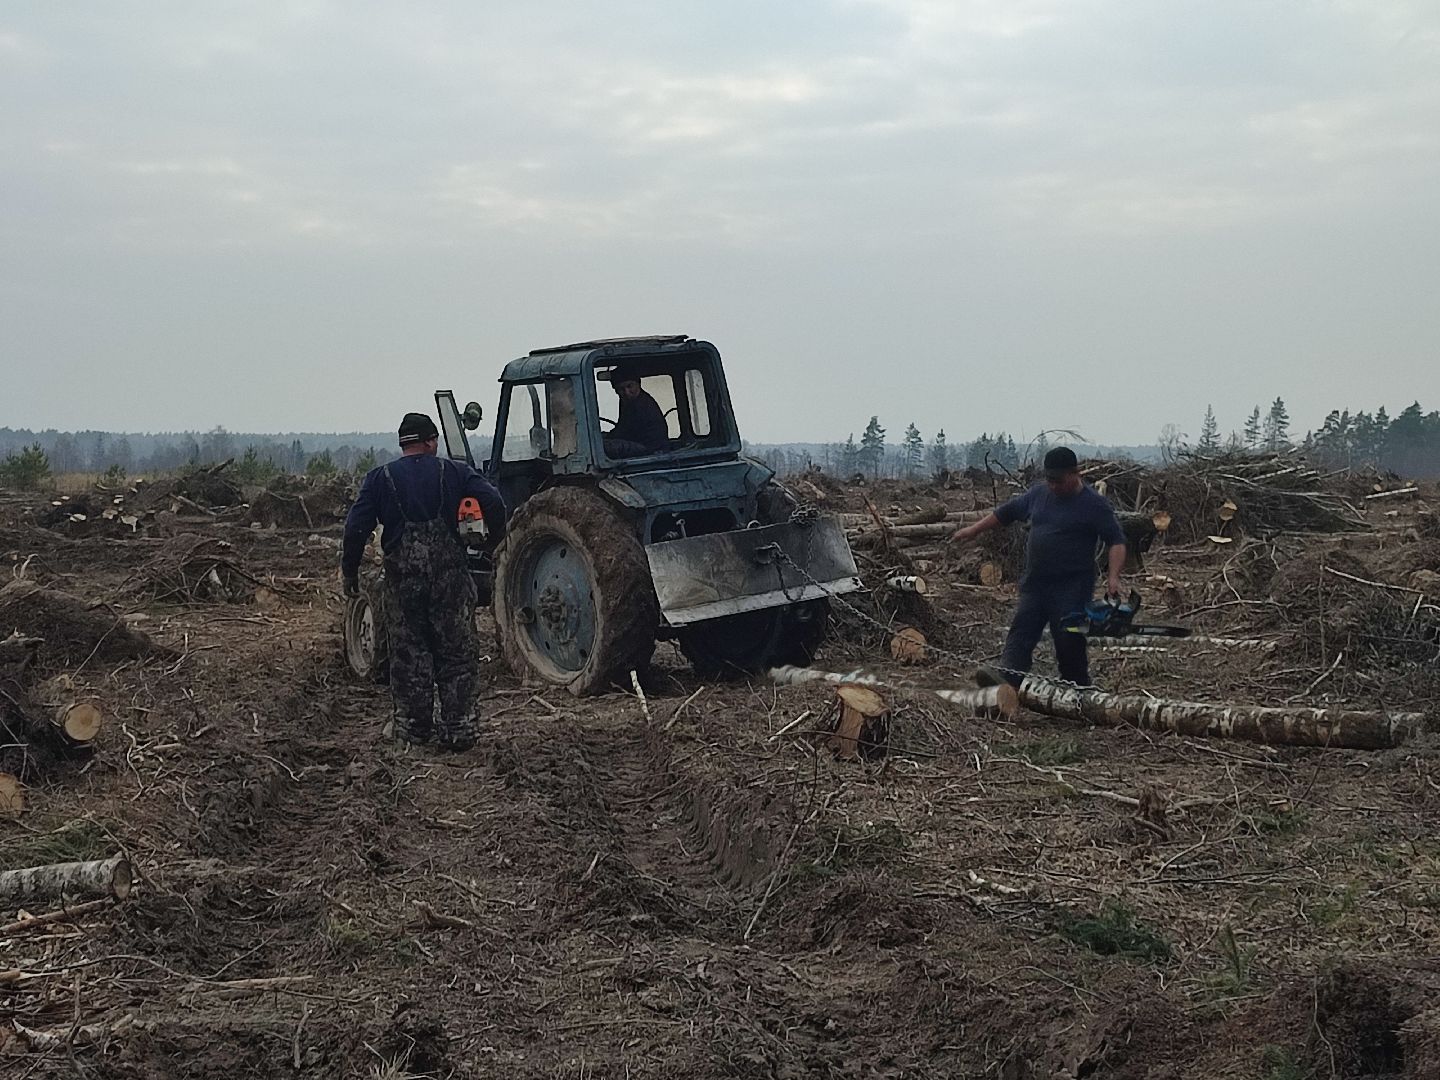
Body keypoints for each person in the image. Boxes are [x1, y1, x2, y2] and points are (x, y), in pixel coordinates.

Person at [342, 412, 506, 750]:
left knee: (409, 653)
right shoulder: (456, 472)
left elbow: (355, 528)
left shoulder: (380, 478)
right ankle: (459, 728)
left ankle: (414, 730)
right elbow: (493, 501)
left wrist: (349, 572)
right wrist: (493, 542)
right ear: (431, 441)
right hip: (451, 581)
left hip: (403, 584)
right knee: (457, 652)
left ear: (403, 443)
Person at [950, 446, 1126, 689]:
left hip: (1072, 587)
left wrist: (1113, 578)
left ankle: (1077, 688)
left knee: (1068, 639)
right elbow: (1006, 513)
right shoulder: (1038, 495)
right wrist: (973, 530)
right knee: (1021, 631)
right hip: (1036, 583)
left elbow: (1116, 540)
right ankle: (1006, 681)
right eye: (1049, 479)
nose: (1053, 485)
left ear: (1075, 473)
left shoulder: (1094, 505)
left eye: (1058, 480)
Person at [603, 368, 668, 458]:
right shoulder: (627, 401)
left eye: (630, 386)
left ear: (638, 384)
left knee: (604, 447)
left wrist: (608, 438)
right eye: (621, 389)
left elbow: (626, 431)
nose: (626, 392)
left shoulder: (642, 404)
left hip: (649, 448)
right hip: (639, 442)